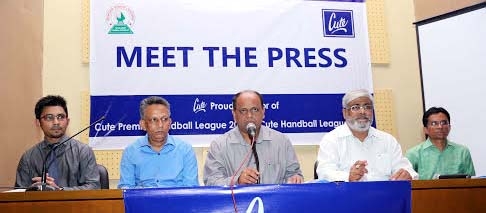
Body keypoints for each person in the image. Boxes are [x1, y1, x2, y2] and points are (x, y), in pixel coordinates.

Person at [203, 90, 303, 186]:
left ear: (263, 112)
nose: (249, 115)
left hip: (273, 202)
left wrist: (295, 179)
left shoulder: (282, 142)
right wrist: (237, 181)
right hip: (237, 203)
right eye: (243, 111)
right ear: (234, 114)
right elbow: (211, 182)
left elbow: (294, 174)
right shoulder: (219, 146)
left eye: (255, 110)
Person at [316, 89, 418, 182]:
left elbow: (407, 170)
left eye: (367, 107)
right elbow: (324, 173)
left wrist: (407, 175)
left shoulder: (387, 140)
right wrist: (348, 177)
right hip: (348, 198)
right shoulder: (332, 140)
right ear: (345, 113)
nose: (362, 112)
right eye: (355, 107)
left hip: (384, 198)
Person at [15, 95, 100, 190]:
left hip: (74, 205)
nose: (56, 122)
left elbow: (94, 187)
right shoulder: (28, 157)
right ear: (38, 122)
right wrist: (33, 190)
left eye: (60, 117)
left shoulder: (83, 151)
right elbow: (19, 193)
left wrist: (60, 190)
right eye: (49, 117)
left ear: (67, 121)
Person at [118, 96, 198, 188]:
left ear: (170, 122)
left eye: (164, 119)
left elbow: (191, 189)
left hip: (176, 201)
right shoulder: (131, 152)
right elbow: (125, 190)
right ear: (143, 124)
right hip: (143, 201)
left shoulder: (185, 150)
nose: (160, 125)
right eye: (154, 120)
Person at [405, 107, 475, 179]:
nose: (440, 127)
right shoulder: (413, 154)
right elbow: (407, 184)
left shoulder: (462, 152)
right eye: (434, 123)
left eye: (444, 123)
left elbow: (472, 183)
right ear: (425, 129)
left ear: (449, 127)